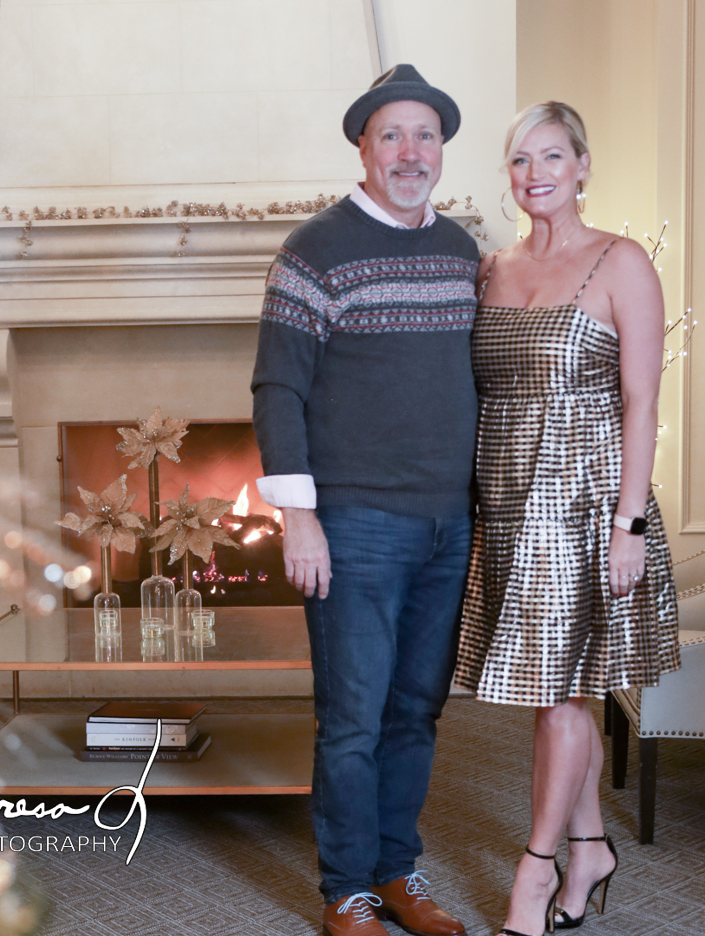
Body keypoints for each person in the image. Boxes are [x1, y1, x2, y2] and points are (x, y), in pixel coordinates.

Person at [252, 65, 480, 936]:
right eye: (393, 135)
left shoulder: (462, 251)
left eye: (426, 135)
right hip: (354, 523)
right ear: (363, 148)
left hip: (448, 523)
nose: (411, 152)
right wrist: (299, 516)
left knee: (416, 711)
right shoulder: (315, 250)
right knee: (352, 718)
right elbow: (278, 388)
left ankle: (396, 872)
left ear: (441, 149)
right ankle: (345, 889)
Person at [454, 102, 680, 936]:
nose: (536, 174)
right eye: (521, 160)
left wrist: (629, 526)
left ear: (583, 165)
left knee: (560, 697)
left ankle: (535, 871)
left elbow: (642, 402)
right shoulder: (490, 269)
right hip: (506, 505)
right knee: (557, 695)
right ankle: (591, 849)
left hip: (586, 510)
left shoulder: (623, 263)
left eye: (552, 156)